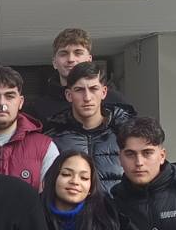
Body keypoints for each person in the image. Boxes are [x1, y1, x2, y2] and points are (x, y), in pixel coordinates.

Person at [48, 62, 127, 194]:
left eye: (93, 89)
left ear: (104, 92)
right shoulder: (52, 140)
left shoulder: (125, 135)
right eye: (79, 90)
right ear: (68, 95)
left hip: (118, 207)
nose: (87, 97)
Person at [37, 27, 135, 127]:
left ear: (89, 60)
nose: (71, 59)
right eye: (64, 54)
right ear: (54, 62)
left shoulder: (115, 101)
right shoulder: (40, 108)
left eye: (78, 53)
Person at [0, 66, 58, 190]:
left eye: (9, 96)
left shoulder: (45, 147)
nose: (2, 104)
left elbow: (50, 197)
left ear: (21, 102)